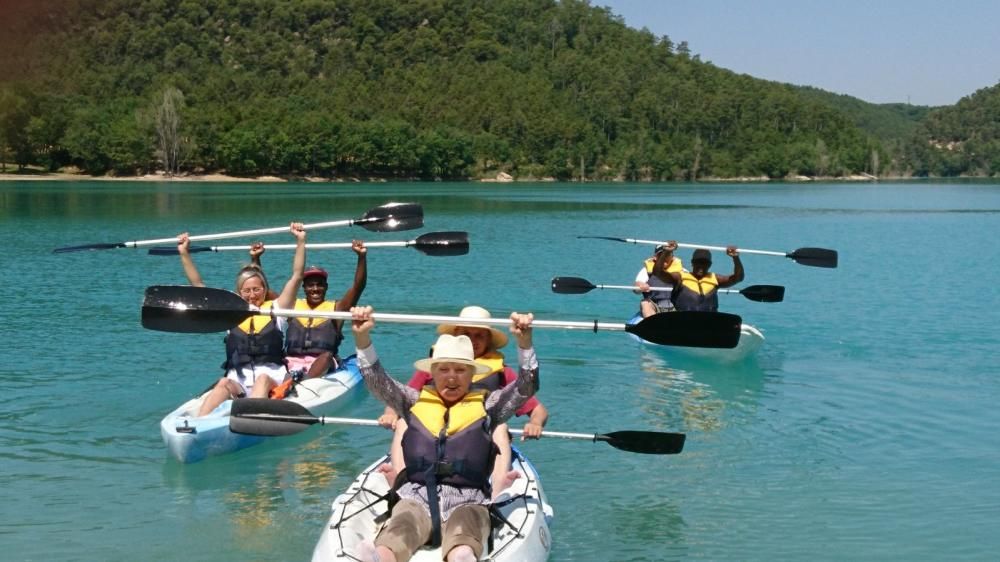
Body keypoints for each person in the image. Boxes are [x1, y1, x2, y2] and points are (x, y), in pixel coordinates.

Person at [350, 306, 538, 562]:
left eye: (460, 370)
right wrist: (362, 338)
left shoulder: (489, 406)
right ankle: (380, 557)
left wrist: (524, 342)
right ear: (433, 372)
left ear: (472, 374)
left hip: (469, 498)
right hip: (416, 494)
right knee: (402, 524)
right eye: (444, 370)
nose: (451, 378)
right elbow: (377, 380)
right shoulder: (412, 400)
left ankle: (462, 556)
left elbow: (527, 385)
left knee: (464, 535)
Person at [377, 306, 549, 496]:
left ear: (489, 339)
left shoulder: (502, 372)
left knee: (499, 427)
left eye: (479, 335)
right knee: (404, 421)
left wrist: (535, 423)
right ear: (456, 334)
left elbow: (537, 408)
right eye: (466, 334)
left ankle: (498, 488)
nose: (472, 340)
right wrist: (390, 413)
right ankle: (402, 479)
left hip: (479, 433)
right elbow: (400, 398)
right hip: (435, 433)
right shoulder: (434, 366)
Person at [176, 223, 306, 417]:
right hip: (238, 378)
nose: (252, 295)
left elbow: (296, 276)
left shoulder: (276, 309)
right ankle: (199, 423)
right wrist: (184, 253)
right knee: (222, 383)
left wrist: (300, 241)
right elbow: (199, 287)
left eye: (257, 289)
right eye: (246, 290)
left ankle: (251, 418)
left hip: (272, 377)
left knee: (262, 379)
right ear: (239, 293)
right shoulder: (231, 312)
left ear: (265, 290)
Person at [258, 239, 368, 378]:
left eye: (320, 285)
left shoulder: (337, 308)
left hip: (322, 363)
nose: (315, 289)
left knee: (326, 356)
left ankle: (304, 383)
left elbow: (358, 287)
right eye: (310, 285)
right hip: (291, 361)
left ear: (326, 287)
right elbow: (264, 291)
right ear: (304, 288)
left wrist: (361, 257)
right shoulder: (291, 306)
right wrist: (256, 258)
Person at [663, 243, 744, 312]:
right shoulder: (680, 277)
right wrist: (666, 252)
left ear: (710, 265)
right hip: (684, 320)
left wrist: (735, 258)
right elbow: (658, 272)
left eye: (705, 263)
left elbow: (739, 277)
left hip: (709, 322)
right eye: (698, 262)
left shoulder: (716, 279)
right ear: (692, 263)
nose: (701, 266)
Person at [635, 243, 685, 318]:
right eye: (660, 255)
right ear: (655, 257)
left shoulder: (682, 271)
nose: (664, 257)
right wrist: (640, 286)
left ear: (672, 257)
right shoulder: (646, 270)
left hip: (674, 305)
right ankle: (652, 323)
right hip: (654, 305)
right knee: (645, 303)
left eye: (667, 255)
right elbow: (636, 288)